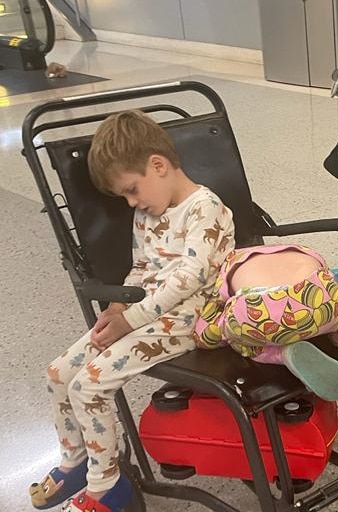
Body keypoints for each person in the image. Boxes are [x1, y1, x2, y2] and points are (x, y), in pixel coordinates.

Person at [29, 110, 235, 512]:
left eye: (132, 190)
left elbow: (191, 277)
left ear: (157, 165)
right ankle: (77, 461)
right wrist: (119, 303)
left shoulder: (204, 207)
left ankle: (107, 486)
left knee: (88, 386)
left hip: (193, 316)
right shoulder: (146, 213)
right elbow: (142, 267)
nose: (132, 202)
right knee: (58, 375)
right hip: (145, 312)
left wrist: (131, 320)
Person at [194, 245, 338, 428]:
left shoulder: (229, 263)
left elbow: (209, 322)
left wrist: (206, 335)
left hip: (256, 309)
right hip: (315, 295)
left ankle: (284, 353)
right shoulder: (303, 250)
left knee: (239, 339)